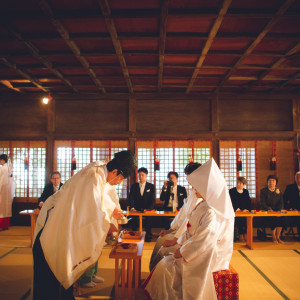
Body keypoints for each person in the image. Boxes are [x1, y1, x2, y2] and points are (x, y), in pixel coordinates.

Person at [32, 150, 137, 300]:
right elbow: (92, 211)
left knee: (60, 280)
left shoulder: (101, 170)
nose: (120, 183)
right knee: (51, 282)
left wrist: (113, 209)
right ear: (114, 172)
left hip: (60, 227)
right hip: (52, 232)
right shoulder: (94, 177)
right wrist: (108, 226)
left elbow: (102, 195)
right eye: (121, 179)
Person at [144, 158, 234, 300]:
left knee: (165, 265)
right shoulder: (203, 204)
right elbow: (188, 226)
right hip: (194, 245)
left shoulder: (211, 210)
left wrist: (182, 249)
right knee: (163, 261)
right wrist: (178, 240)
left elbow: (204, 238)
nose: (192, 186)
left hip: (208, 252)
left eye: (195, 184)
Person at [149, 163, 201, 270]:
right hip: (180, 229)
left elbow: (188, 220)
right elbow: (182, 212)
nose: (187, 179)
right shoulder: (193, 191)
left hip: (190, 236)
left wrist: (174, 240)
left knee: (163, 249)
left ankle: (154, 275)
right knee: (160, 239)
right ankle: (151, 274)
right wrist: (169, 230)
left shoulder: (200, 194)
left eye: (188, 176)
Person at [128, 167, 155, 242]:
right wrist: (132, 207)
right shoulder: (134, 186)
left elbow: (152, 199)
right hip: (136, 208)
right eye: (139, 175)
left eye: (142, 175)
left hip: (147, 209)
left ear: (146, 175)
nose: (140, 177)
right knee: (134, 220)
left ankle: (148, 236)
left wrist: (149, 209)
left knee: (148, 219)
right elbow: (130, 198)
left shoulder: (151, 186)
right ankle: (135, 236)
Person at [259, 175, 284, 244]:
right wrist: (269, 209)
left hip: (277, 211)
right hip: (267, 211)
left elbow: (281, 202)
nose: (271, 183)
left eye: (273, 181)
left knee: (281, 218)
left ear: (276, 183)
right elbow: (262, 203)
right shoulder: (263, 191)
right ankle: (273, 237)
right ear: (267, 182)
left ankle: (278, 237)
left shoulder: (279, 191)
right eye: (269, 181)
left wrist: (279, 211)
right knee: (273, 218)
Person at [229, 177, 251, 242]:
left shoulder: (246, 192)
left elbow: (248, 202)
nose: (239, 184)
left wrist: (246, 209)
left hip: (244, 211)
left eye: (241, 183)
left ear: (244, 184)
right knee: (240, 218)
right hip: (235, 211)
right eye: (238, 183)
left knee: (247, 218)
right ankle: (241, 234)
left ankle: (246, 234)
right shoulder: (232, 191)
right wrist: (237, 209)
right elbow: (231, 202)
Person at [283, 172, 300, 240]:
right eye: (297, 178)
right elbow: (285, 199)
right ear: (295, 179)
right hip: (294, 210)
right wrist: (290, 208)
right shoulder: (290, 187)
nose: (299, 180)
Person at [0, 154, 14, 230]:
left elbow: (1, 181)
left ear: (2, 160)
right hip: (8, 191)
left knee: (1, 208)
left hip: (2, 190)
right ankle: (5, 225)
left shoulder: (2, 169)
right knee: (6, 208)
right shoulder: (9, 169)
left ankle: (1, 226)